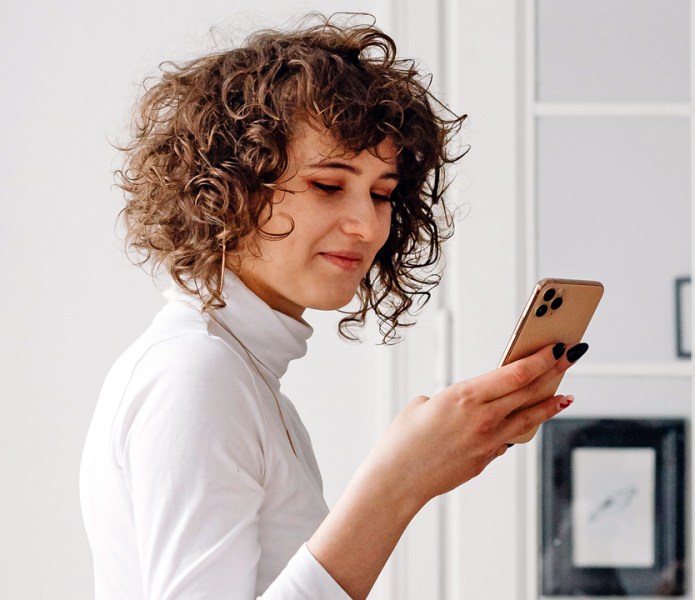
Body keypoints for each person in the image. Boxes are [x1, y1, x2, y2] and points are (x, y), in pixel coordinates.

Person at [78, 16, 588, 600]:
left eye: (381, 194)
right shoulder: (196, 373)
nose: (366, 224)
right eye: (328, 185)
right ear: (227, 186)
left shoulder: (239, 374)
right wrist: (399, 482)